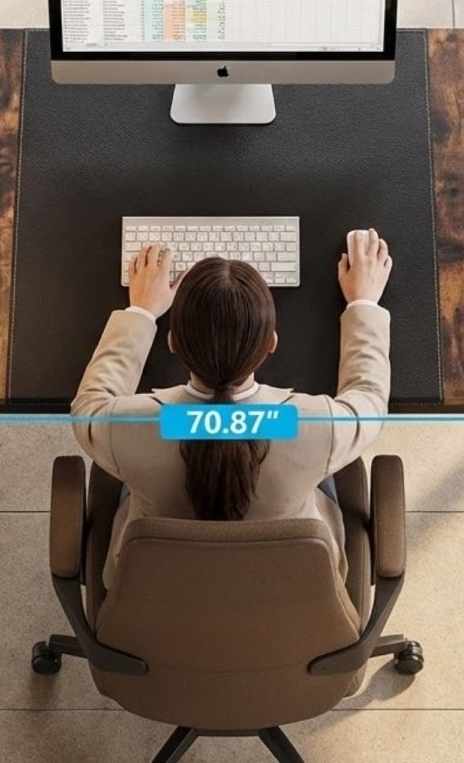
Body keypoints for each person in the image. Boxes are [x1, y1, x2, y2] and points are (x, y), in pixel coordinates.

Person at [71, 228, 392, 585]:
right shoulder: (316, 428)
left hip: (154, 602)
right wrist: (363, 304)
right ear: (271, 343)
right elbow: (368, 397)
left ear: (172, 342)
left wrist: (141, 312)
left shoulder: (126, 431)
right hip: (294, 604)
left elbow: (90, 406)